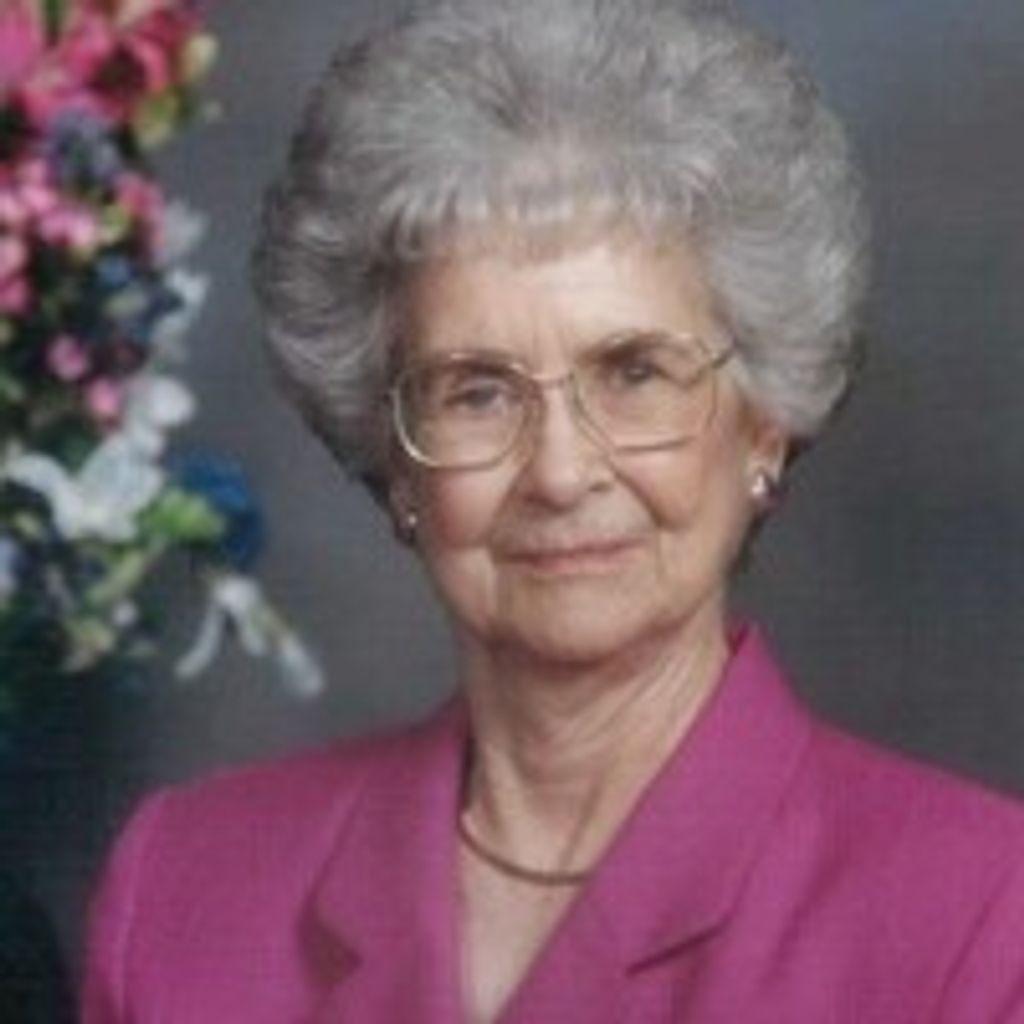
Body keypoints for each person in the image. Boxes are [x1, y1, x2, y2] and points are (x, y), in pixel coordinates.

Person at [83, 0, 1024, 1020]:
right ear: (396, 462)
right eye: (477, 391)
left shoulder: (975, 913)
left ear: (762, 427)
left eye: (634, 373)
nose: (562, 473)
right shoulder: (186, 889)